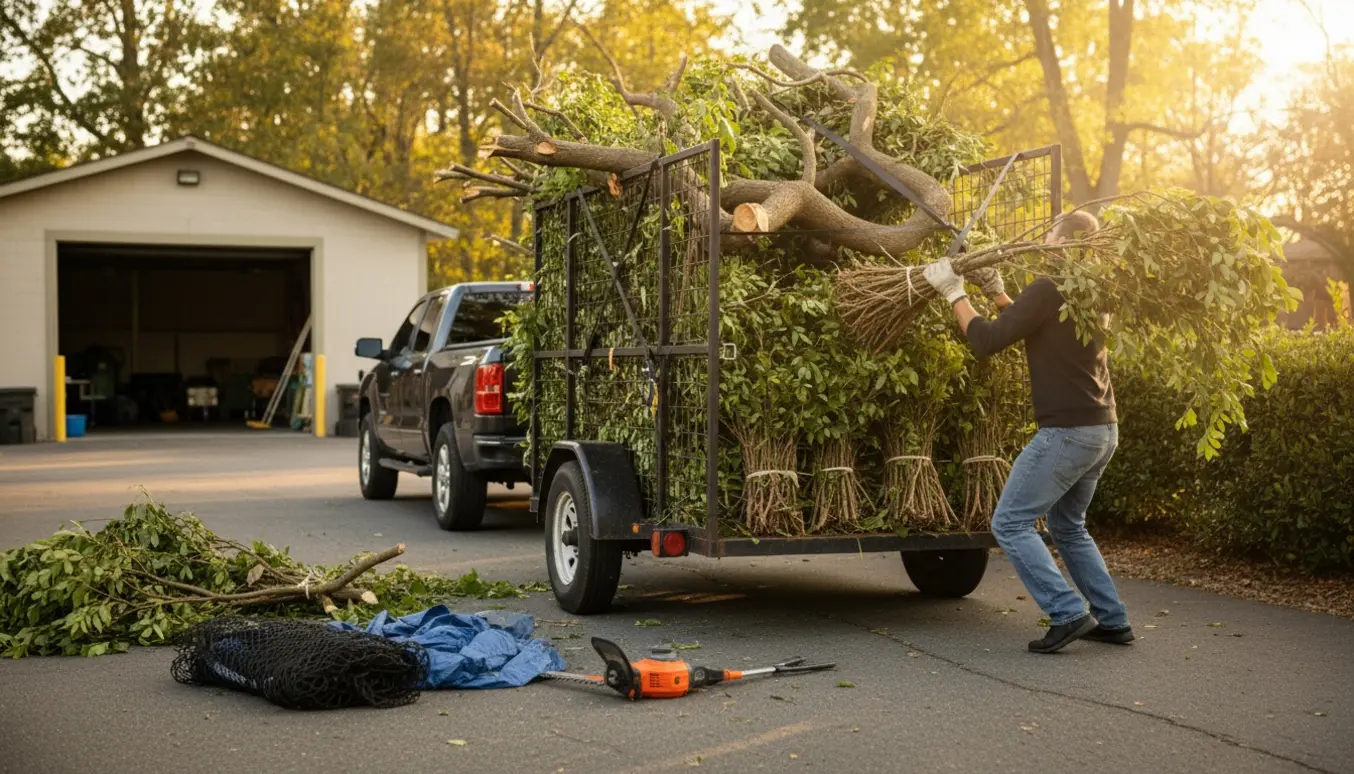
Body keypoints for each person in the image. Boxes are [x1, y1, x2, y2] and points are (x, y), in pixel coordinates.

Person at [922, 211, 1133, 654]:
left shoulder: (1048, 287)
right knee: (1068, 524)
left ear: (1065, 243)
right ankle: (1112, 619)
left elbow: (987, 341)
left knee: (1010, 521)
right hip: (1102, 430)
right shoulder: (1091, 291)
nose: (1044, 235)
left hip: (1068, 432)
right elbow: (1034, 328)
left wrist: (954, 292)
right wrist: (998, 292)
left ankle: (1067, 612)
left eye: (1052, 230)